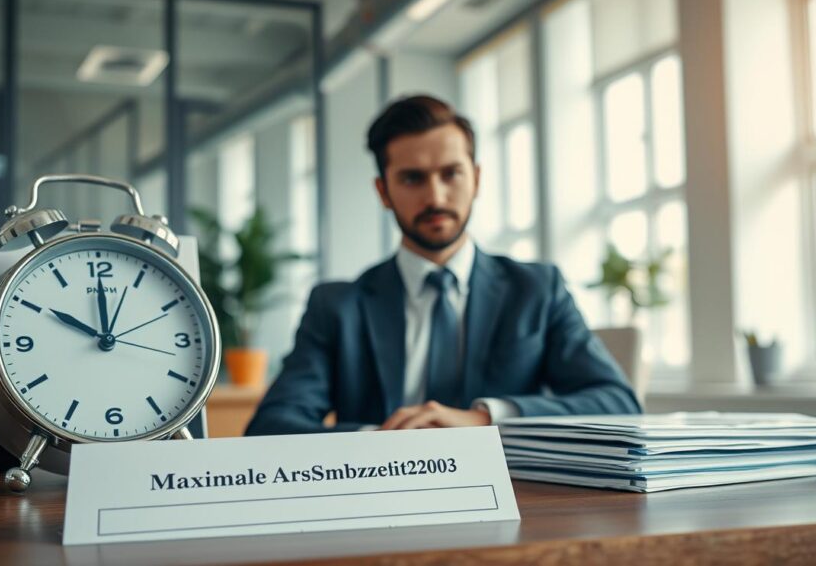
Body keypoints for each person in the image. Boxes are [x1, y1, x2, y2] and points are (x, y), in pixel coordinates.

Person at [245, 95, 641, 435]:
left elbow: (618, 402)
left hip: (511, 492)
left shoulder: (536, 289)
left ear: (477, 179)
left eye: (451, 174)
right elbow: (271, 426)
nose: (435, 197)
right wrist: (380, 442)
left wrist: (484, 418)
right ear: (383, 191)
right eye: (412, 179)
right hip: (383, 493)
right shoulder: (336, 306)